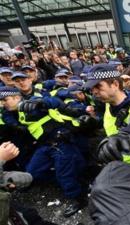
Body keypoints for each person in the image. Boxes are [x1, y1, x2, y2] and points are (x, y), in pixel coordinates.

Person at [0, 86, 86, 217]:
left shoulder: (32, 102)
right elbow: (7, 117)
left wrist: (41, 103)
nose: (3, 104)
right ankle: (72, 180)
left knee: (65, 175)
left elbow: (53, 101)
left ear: (17, 97)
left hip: (60, 143)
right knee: (32, 173)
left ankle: (79, 198)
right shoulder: (15, 112)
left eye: (5, 100)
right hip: (44, 146)